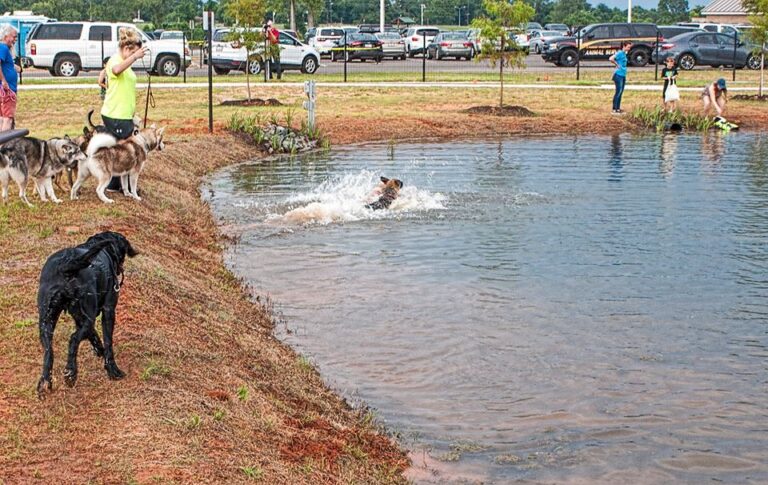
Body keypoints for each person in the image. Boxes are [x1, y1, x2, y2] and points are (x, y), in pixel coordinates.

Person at [102, 28, 147, 191]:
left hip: (124, 114)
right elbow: (115, 70)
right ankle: (116, 185)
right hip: (115, 114)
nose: (135, 56)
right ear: (126, 49)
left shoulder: (123, 62)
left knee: (123, 149)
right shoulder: (116, 60)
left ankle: (119, 184)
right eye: (133, 52)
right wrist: (135, 57)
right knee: (124, 150)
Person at [0, 24, 20, 132]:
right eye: (14, 37)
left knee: (2, 117)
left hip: (5, 89)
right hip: (7, 90)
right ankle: (4, 146)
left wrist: (15, 67)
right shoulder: (3, 47)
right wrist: (4, 81)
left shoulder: (5, 49)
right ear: (6, 36)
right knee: (8, 119)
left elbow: (6, 65)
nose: (15, 40)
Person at [609, 41, 631, 114]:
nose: (629, 48)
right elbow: (611, 58)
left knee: (621, 92)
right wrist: (616, 64)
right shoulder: (620, 53)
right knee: (618, 92)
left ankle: (618, 108)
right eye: (628, 47)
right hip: (618, 75)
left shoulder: (624, 54)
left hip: (623, 75)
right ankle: (614, 109)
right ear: (624, 46)